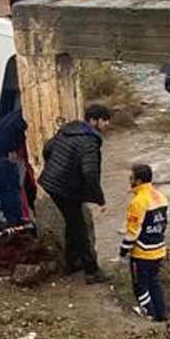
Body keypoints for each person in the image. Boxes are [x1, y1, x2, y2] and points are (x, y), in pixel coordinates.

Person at [39, 103, 112, 283]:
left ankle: (72, 262)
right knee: (79, 227)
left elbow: (47, 149)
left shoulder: (68, 129)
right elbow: (90, 173)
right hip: (65, 188)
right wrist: (100, 199)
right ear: (93, 121)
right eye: (105, 121)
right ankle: (92, 271)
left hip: (51, 182)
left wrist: (56, 169)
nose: (107, 125)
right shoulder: (90, 141)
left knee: (73, 222)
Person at [119, 161, 169, 322]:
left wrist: (123, 250)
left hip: (142, 252)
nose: (129, 180)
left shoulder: (137, 202)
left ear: (138, 181)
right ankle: (161, 314)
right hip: (159, 248)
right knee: (154, 282)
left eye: (131, 178)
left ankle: (150, 314)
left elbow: (133, 232)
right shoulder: (161, 196)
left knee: (140, 285)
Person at [0, 105, 29, 226]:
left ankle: (11, 218)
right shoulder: (20, 120)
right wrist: (13, 150)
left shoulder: (12, 117)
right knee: (10, 188)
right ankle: (14, 220)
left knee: (6, 188)